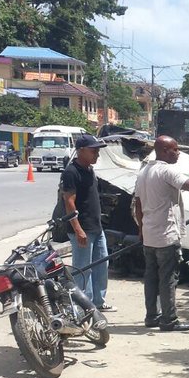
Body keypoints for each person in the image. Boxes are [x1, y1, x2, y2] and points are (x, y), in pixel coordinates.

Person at [132, 136, 189, 331]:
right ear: (163, 151)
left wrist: (141, 228)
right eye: (175, 150)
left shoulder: (144, 172)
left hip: (150, 235)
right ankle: (169, 320)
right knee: (168, 278)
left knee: (151, 277)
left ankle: (152, 316)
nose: (178, 153)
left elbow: (138, 204)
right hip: (166, 235)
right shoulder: (166, 171)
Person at [60, 133, 115, 312]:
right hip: (82, 228)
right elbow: (69, 202)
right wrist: (78, 229)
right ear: (81, 151)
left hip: (96, 227)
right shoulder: (71, 172)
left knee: (101, 263)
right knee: (83, 268)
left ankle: (98, 301)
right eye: (93, 151)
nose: (97, 154)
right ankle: (84, 305)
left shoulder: (90, 169)